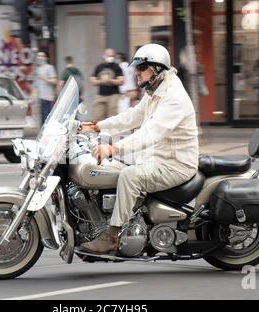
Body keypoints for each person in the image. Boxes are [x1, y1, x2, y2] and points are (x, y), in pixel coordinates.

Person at [79, 43, 199, 255]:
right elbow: (133, 116)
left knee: (129, 176)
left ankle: (112, 237)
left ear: (157, 69)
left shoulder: (173, 98)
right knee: (114, 169)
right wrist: (99, 126)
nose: (136, 73)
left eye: (141, 69)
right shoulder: (156, 89)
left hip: (175, 164)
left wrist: (113, 149)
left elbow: (150, 133)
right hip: (157, 158)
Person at [90, 48, 124, 121]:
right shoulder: (99, 67)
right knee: (96, 116)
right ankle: (97, 131)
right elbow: (92, 81)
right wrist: (101, 81)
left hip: (113, 95)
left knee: (112, 116)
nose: (110, 57)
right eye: (108, 55)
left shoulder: (117, 67)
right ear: (104, 56)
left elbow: (121, 81)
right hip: (101, 95)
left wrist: (109, 80)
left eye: (112, 56)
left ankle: (111, 132)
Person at [35, 51, 57, 125]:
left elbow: (54, 81)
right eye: (38, 56)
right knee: (40, 120)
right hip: (39, 97)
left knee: (46, 118)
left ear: (45, 58)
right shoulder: (37, 69)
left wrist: (44, 78)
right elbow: (36, 85)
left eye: (41, 56)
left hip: (47, 97)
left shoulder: (49, 67)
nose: (39, 58)